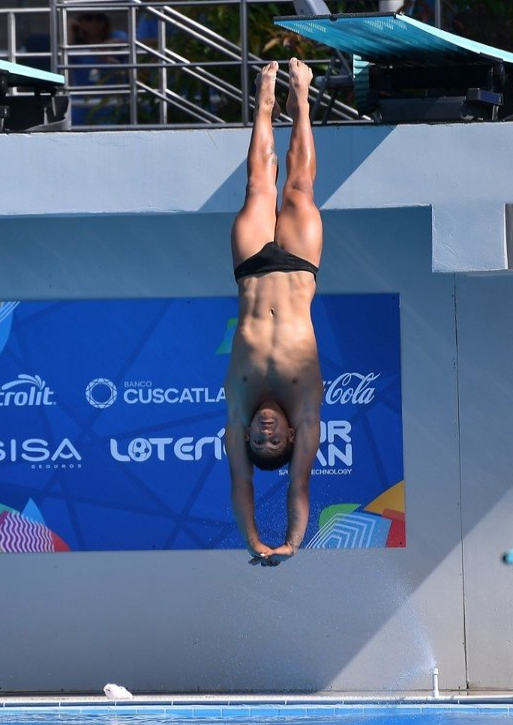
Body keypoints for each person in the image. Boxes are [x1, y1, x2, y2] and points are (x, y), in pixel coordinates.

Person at [223, 59, 322, 568]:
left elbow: (242, 483)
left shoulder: (237, 413)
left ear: (244, 436)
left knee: (259, 187)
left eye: (256, 439)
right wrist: (289, 541)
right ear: (290, 435)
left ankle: (264, 99)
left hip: (253, 270)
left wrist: (253, 541)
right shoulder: (306, 412)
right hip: (301, 267)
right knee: (299, 189)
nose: (264, 431)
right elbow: (298, 486)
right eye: (273, 439)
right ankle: (302, 96)